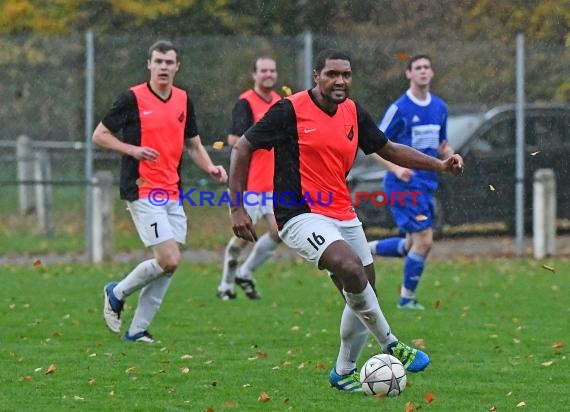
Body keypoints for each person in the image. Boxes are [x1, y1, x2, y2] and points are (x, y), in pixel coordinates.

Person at [228, 49, 464, 391]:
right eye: (332, 74)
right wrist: (236, 207)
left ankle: (343, 371)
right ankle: (391, 343)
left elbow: (390, 149)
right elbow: (242, 148)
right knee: (349, 268)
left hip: (342, 212)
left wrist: (439, 165)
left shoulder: (352, 112)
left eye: (346, 75)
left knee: (363, 292)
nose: (340, 81)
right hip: (299, 214)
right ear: (316, 76)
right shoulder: (289, 110)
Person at [93, 40, 227, 343]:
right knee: (168, 259)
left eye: (169, 62)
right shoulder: (132, 98)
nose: (164, 67)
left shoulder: (182, 99)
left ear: (177, 66)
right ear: (149, 65)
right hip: (141, 189)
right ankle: (116, 292)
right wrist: (132, 149)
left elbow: (192, 143)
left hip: (172, 191)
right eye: (159, 62)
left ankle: (138, 330)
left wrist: (210, 167)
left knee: (168, 265)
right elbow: (100, 136)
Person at [368, 54, 453, 311]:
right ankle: (406, 299)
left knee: (410, 244)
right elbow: (374, 145)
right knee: (424, 241)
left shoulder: (440, 107)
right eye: (418, 68)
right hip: (403, 184)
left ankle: (361, 247)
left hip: (428, 182)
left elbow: (442, 145)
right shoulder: (399, 108)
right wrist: (396, 169)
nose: (423, 72)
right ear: (408, 74)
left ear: (432, 73)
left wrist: (451, 157)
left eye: (427, 67)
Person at [216, 56, 282, 301]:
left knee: (279, 232)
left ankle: (246, 272)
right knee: (242, 238)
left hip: (273, 185)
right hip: (250, 184)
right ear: (254, 74)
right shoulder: (245, 102)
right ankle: (225, 285)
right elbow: (234, 140)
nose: (268, 74)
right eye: (263, 70)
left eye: (272, 70)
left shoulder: (280, 102)